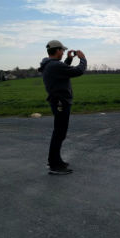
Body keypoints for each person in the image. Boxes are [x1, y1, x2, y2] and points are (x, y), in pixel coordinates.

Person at [38, 40, 87, 175]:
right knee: (59, 133)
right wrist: (83, 59)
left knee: (59, 133)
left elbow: (62, 71)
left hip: (58, 101)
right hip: (61, 102)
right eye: (63, 50)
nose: (64, 52)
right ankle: (54, 165)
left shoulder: (50, 64)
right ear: (57, 50)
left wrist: (69, 59)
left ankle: (55, 160)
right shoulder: (53, 65)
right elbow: (78, 71)